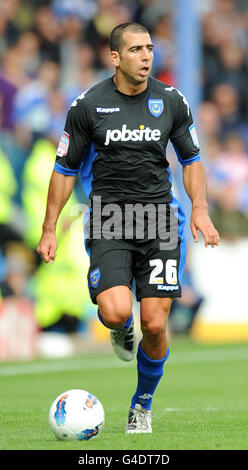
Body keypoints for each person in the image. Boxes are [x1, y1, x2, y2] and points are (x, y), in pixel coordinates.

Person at [37, 22, 220, 434]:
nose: (146, 57)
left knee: (155, 324)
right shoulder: (88, 105)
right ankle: (120, 330)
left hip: (159, 221)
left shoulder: (171, 101)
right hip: (109, 220)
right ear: (115, 57)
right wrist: (49, 228)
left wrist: (200, 209)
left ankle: (142, 404)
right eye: (136, 50)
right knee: (117, 310)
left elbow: (191, 160)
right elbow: (64, 169)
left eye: (150, 49)